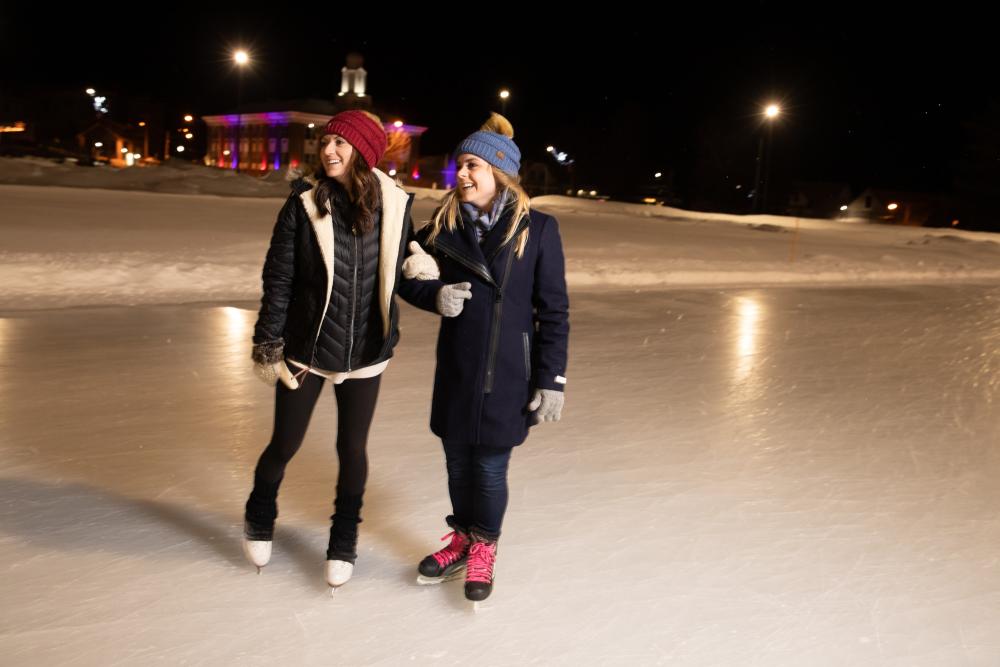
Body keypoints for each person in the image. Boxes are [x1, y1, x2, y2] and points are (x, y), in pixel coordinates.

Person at [399, 113, 570, 602]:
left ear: (499, 170)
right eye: (460, 165)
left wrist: (552, 378)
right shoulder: (442, 226)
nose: (462, 174)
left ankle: (484, 548)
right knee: (457, 464)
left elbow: (554, 311)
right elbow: (405, 275)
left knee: (490, 468)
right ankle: (463, 539)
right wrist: (431, 294)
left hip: (509, 374)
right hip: (458, 368)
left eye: (472, 164)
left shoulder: (538, 230)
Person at [243, 110, 414, 590]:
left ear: (364, 152)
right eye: (326, 142)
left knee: (352, 448)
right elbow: (278, 277)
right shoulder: (303, 204)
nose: (330, 151)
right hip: (306, 350)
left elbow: (402, 259)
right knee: (285, 443)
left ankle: (343, 537)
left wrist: (421, 265)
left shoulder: (395, 204)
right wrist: (269, 342)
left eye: (342, 144)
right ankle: (260, 512)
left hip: (366, 352)